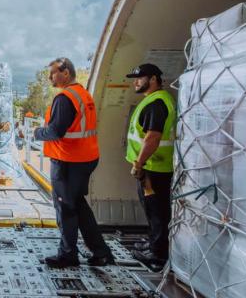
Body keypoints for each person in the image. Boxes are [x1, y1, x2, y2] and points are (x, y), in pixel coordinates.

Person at [30, 57, 114, 268]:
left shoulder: (65, 98)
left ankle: (68, 255)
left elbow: (55, 131)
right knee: (78, 205)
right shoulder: (83, 95)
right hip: (86, 158)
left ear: (66, 72)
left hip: (68, 161)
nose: (50, 77)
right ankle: (101, 252)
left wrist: (37, 132)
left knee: (65, 208)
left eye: (53, 73)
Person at [124, 63, 177, 265]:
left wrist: (139, 163)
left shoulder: (157, 103)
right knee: (154, 210)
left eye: (140, 78)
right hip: (154, 166)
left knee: (157, 211)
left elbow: (152, 138)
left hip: (153, 168)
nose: (135, 82)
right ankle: (154, 243)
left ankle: (157, 253)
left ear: (153, 79)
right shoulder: (157, 100)